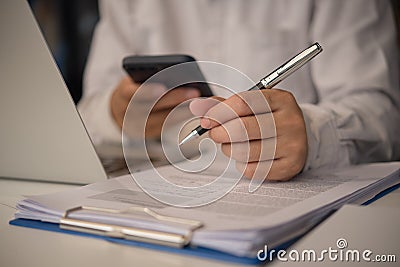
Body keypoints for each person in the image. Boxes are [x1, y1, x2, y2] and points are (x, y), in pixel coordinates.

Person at [78, 0, 400, 181]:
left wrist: (314, 135)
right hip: (155, 201)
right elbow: (84, 120)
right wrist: (115, 113)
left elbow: (383, 114)